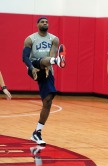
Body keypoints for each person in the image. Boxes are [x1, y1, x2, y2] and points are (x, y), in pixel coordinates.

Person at [22, 17, 66, 145]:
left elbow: (51, 54)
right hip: (33, 66)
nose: (45, 23)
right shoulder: (30, 39)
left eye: (46, 22)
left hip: (47, 68)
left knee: (48, 101)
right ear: (37, 24)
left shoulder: (54, 39)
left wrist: (49, 63)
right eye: (42, 22)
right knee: (42, 61)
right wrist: (31, 68)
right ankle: (58, 61)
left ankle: (37, 132)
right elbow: (24, 57)